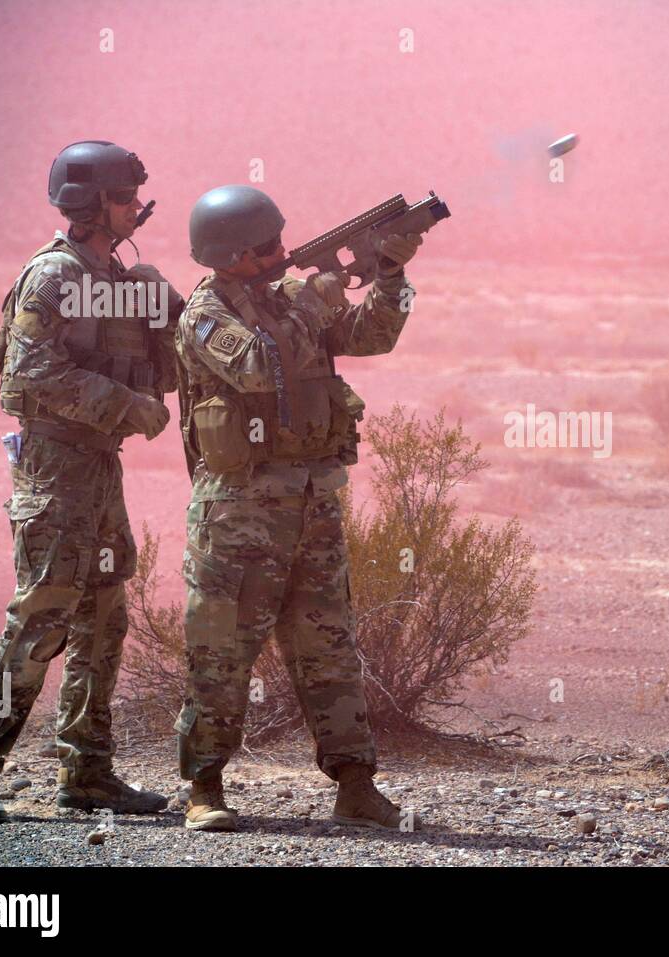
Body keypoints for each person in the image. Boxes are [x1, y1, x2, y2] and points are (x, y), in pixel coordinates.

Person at [175, 185, 421, 832]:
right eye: (270, 246)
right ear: (234, 255)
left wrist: (390, 275)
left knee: (329, 645)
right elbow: (257, 367)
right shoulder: (204, 314)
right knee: (223, 647)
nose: (283, 254)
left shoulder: (286, 299)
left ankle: (355, 783)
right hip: (239, 512)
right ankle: (204, 786)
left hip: (314, 502)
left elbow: (373, 335)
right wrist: (315, 299)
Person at [0, 140, 180, 822]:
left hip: (99, 465)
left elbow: (169, 363)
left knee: (104, 617)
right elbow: (27, 375)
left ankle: (87, 772)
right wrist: (127, 406)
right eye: (125, 196)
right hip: (54, 465)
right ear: (91, 202)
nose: (138, 206)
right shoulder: (52, 277)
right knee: (40, 618)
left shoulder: (120, 276)